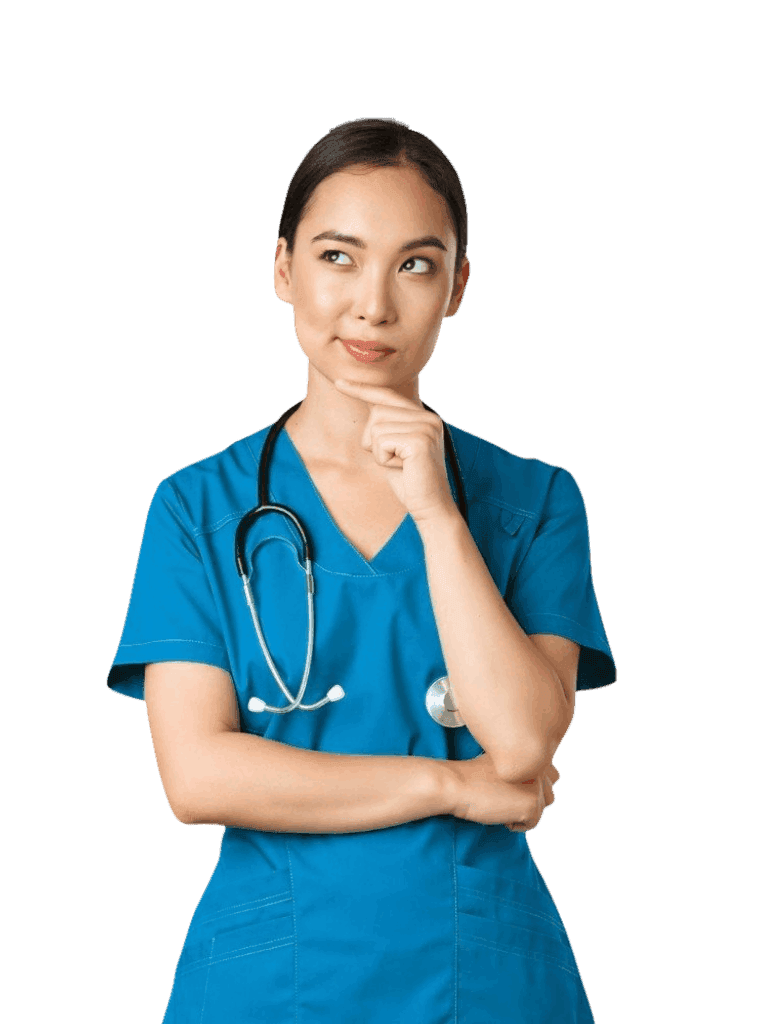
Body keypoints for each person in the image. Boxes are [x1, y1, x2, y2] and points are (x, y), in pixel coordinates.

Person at [106, 117, 617, 1023]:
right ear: (282, 270)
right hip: (271, 984)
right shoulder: (196, 507)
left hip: (486, 979)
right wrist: (451, 784)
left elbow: (527, 743)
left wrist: (437, 512)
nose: (372, 305)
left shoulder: (534, 501)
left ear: (457, 287)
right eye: (338, 257)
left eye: (415, 265)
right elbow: (197, 777)